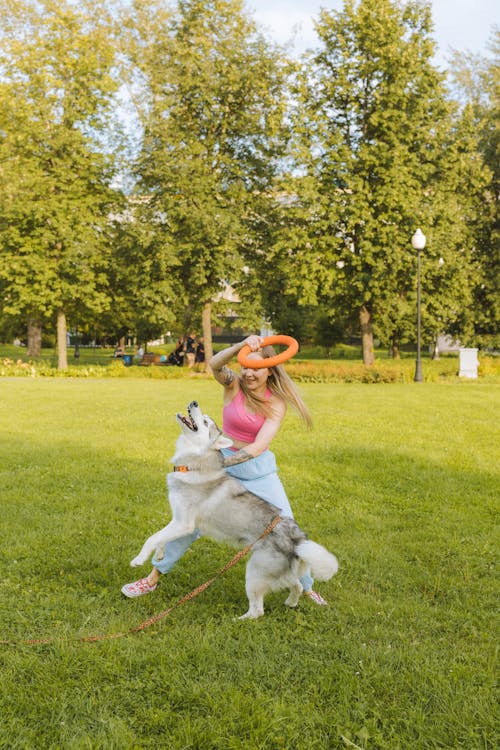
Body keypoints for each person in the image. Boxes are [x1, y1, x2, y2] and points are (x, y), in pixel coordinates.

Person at [121, 334, 328, 606]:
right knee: (190, 523)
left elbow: (258, 446)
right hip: (222, 460)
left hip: (257, 471)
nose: (250, 373)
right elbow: (215, 364)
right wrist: (241, 345)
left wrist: (221, 463)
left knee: (286, 526)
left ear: (270, 369)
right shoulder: (233, 385)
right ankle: (152, 578)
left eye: (256, 368)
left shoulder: (275, 402)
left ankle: (307, 586)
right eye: (246, 366)